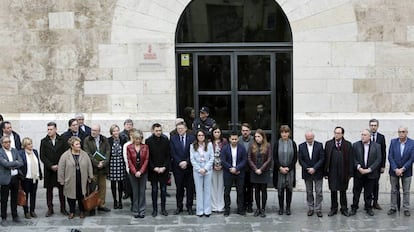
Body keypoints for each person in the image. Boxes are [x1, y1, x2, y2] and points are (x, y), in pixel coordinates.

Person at [58, 136, 93, 219]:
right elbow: (61, 168)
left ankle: (82, 211)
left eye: (79, 144)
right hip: (70, 180)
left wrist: (90, 176)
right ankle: (72, 211)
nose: (79, 145)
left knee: (81, 195)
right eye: (77, 144)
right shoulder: (65, 156)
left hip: (82, 179)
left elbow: (89, 166)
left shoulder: (84, 154)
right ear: (72, 145)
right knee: (71, 197)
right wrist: (61, 180)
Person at [349, 129, 381, 216]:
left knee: (369, 192)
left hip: (370, 174)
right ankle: (354, 207)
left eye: (365, 135)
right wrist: (359, 167)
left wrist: (369, 169)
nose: (363, 136)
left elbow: (378, 160)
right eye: (362, 134)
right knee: (356, 192)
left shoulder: (377, 146)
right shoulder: (355, 145)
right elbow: (353, 158)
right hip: (359, 173)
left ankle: (368, 207)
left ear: (370, 136)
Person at [40, 122, 68, 217]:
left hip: (60, 169)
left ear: (56, 129)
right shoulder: (44, 141)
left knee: (61, 190)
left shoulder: (62, 140)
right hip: (49, 170)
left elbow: (65, 154)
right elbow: (42, 156)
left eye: (51, 129)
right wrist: (51, 166)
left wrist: (60, 165)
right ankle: (50, 209)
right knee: (49, 190)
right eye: (48, 129)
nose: (49, 131)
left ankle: (63, 208)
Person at [324, 126, 353, 217]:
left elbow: (351, 160)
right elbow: (326, 158)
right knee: (333, 190)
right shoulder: (329, 144)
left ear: (342, 134)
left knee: (343, 191)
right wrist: (325, 172)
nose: (336, 135)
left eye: (338, 133)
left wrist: (350, 173)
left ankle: (344, 208)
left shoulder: (348, 144)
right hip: (332, 171)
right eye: (335, 133)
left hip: (344, 172)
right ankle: (334, 208)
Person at [83, 124, 111, 214]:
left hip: (102, 169)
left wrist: (104, 162)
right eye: (92, 130)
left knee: (102, 188)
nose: (93, 132)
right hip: (93, 169)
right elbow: (87, 153)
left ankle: (101, 205)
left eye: (95, 131)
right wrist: (96, 163)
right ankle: (91, 206)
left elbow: (108, 151)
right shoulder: (87, 140)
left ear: (99, 131)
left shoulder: (104, 139)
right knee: (92, 189)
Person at [170, 121, 196, 215]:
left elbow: (194, 152)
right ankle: (179, 207)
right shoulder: (173, 139)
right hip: (178, 167)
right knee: (179, 188)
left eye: (181, 128)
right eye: (178, 129)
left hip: (189, 167)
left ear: (185, 129)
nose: (180, 130)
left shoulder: (192, 138)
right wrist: (180, 162)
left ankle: (189, 207)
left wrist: (187, 162)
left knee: (190, 188)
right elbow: (173, 152)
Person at [387, 126, 414, 216]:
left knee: (406, 191)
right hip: (394, 171)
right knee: (394, 190)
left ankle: (406, 208)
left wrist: (403, 169)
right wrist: (396, 169)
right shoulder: (393, 142)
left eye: (403, 132)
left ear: (406, 133)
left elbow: (412, 158)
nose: (401, 133)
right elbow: (390, 156)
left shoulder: (412, 143)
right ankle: (393, 207)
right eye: (399, 132)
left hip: (406, 171)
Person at [146, 123, 171, 217]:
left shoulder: (165, 140)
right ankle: (155, 209)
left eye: (160, 130)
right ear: (153, 131)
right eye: (156, 131)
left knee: (164, 190)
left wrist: (164, 167)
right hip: (154, 170)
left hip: (164, 170)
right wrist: (154, 168)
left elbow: (168, 155)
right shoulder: (148, 141)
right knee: (154, 190)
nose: (158, 132)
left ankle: (163, 209)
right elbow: (148, 157)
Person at [298, 131, 325, 217]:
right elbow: (300, 160)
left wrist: (314, 168)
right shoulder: (301, 146)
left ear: (313, 137)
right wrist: (307, 168)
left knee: (319, 192)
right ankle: (310, 208)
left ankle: (318, 209)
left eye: (310, 139)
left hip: (318, 172)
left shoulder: (319, 145)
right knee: (309, 192)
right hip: (307, 172)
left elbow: (322, 158)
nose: (309, 140)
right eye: (307, 139)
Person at [221, 131, 247, 217]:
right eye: (233, 139)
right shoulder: (225, 148)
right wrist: (230, 168)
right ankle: (227, 209)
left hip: (239, 172)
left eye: (236, 139)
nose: (234, 140)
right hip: (228, 172)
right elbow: (223, 160)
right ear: (229, 139)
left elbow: (244, 160)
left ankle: (240, 209)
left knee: (240, 192)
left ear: (238, 139)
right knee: (227, 191)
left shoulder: (242, 148)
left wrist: (237, 168)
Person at [273, 125, 297, 215]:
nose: (284, 134)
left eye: (286, 132)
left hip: (289, 171)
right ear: (280, 133)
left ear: (289, 133)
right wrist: (280, 167)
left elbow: (295, 158)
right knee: (281, 190)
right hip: (279, 171)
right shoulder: (277, 143)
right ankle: (281, 208)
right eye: (282, 132)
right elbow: (275, 157)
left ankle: (288, 208)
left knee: (289, 190)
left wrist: (289, 168)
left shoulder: (293, 143)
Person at [0, 135, 23, 225]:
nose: (8, 144)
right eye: (6, 142)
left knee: (14, 198)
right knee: (4, 199)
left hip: (15, 178)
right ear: (2, 143)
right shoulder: (0, 152)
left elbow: (21, 162)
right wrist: (15, 164)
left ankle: (15, 215)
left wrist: (12, 164)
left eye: (9, 142)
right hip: (5, 179)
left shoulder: (14, 150)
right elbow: (4, 164)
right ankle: (4, 217)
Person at [248, 129, 272, 217]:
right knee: (256, 190)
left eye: (259, 136)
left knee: (264, 190)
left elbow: (269, 159)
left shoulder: (268, 145)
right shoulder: (252, 145)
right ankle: (257, 208)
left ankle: (263, 209)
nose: (257, 138)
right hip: (255, 171)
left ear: (263, 137)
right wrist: (255, 169)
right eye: (256, 137)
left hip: (264, 171)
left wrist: (261, 169)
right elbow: (249, 158)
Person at [190, 129, 214, 217]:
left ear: (205, 136)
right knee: (199, 190)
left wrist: (206, 168)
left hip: (207, 169)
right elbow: (192, 159)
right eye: (199, 135)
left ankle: (207, 210)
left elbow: (212, 158)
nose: (201, 137)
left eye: (202, 135)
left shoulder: (209, 145)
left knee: (207, 190)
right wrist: (199, 169)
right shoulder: (192, 146)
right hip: (197, 170)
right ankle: (200, 210)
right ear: (197, 137)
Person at [126, 130, 149, 218]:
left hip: (143, 172)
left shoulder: (145, 147)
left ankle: (142, 210)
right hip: (133, 173)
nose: (137, 141)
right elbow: (129, 161)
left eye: (139, 139)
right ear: (133, 139)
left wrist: (141, 171)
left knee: (142, 191)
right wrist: (135, 172)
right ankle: (135, 210)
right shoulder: (129, 147)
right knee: (135, 192)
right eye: (136, 139)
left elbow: (146, 160)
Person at [18, 137, 43, 219]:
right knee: (26, 195)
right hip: (26, 178)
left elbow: (38, 163)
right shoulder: (21, 153)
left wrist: (40, 174)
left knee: (33, 194)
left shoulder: (35, 152)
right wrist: (21, 176)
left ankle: (32, 210)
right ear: (24, 145)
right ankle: (26, 212)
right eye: (29, 144)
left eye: (31, 143)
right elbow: (21, 166)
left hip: (34, 177)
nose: (31, 145)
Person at [107, 124, 127, 209]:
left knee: (120, 184)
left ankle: (120, 201)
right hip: (112, 163)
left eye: (117, 130)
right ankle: (115, 201)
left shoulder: (123, 139)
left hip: (120, 163)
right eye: (114, 131)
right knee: (113, 184)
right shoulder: (108, 140)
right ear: (111, 132)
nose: (116, 132)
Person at [369, 119, 386, 210]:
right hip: (367, 166)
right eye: (371, 125)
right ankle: (367, 203)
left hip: (378, 166)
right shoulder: (366, 135)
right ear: (369, 126)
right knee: (368, 185)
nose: (373, 127)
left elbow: (383, 152)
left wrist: (383, 165)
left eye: (375, 125)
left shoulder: (381, 137)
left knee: (376, 184)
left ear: (377, 126)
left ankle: (375, 202)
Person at [211, 125, 228, 213]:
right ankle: (214, 206)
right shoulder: (210, 142)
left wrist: (222, 165)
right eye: (215, 132)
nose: (217, 134)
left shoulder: (224, 141)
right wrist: (213, 165)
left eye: (218, 132)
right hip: (212, 167)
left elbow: (226, 154)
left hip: (222, 167)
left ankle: (221, 206)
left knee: (221, 186)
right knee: (213, 186)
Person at [238, 123, 254, 213]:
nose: (245, 132)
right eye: (243, 130)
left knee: (250, 188)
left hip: (251, 168)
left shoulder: (253, 140)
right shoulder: (238, 140)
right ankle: (242, 205)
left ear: (250, 131)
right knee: (241, 188)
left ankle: (250, 205)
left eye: (246, 131)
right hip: (241, 168)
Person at [120, 119, 134, 200]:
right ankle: (126, 192)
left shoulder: (134, 134)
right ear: (124, 125)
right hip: (124, 157)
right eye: (127, 124)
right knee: (125, 178)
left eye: (130, 124)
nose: (129, 126)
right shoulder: (122, 135)